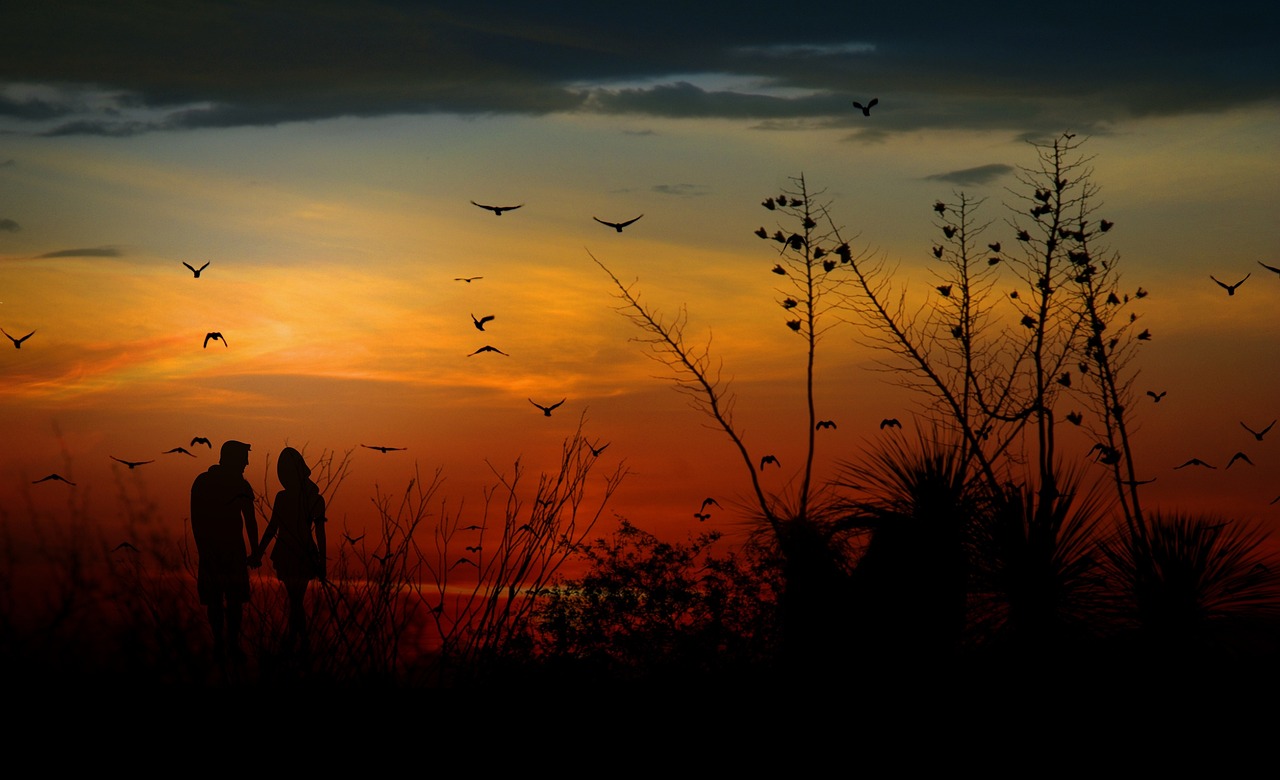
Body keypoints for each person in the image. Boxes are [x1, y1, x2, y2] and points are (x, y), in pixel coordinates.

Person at [250, 446, 327, 653]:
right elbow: (273, 527)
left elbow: (320, 534)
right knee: (295, 600)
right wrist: (258, 551)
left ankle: (297, 640)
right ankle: (299, 640)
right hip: (292, 554)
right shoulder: (285, 498)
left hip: (300, 555)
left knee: (295, 600)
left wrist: (323, 562)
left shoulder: (312, 499)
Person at [190, 439, 258, 664]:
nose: (247, 463)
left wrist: (255, 550)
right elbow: (198, 520)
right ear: (233, 459)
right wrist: (204, 549)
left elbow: (250, 520)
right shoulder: (206, 482)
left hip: (228, 552)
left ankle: (227, 644)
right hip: (216, 551)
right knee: (219, 601)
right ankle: (223, 644)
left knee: (231, 600)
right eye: (244, 458)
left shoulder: (236, 485)